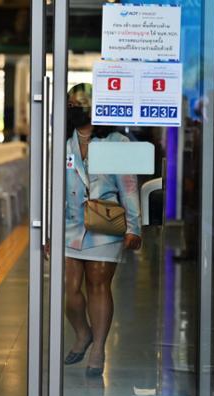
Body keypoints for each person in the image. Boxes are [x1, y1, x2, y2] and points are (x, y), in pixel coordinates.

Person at [63, 83, 142, 377]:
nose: (73, 108)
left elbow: (129, 188)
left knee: (98, 284)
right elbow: (51, 186)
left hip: (105, 222)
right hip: (69, 223)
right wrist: (47, 230)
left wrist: (134, 227)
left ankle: (97, 349)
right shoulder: (63, 142)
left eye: (79, 103)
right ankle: (83, 333)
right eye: (70, 104)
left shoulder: (116, 142)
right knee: (68, 291)